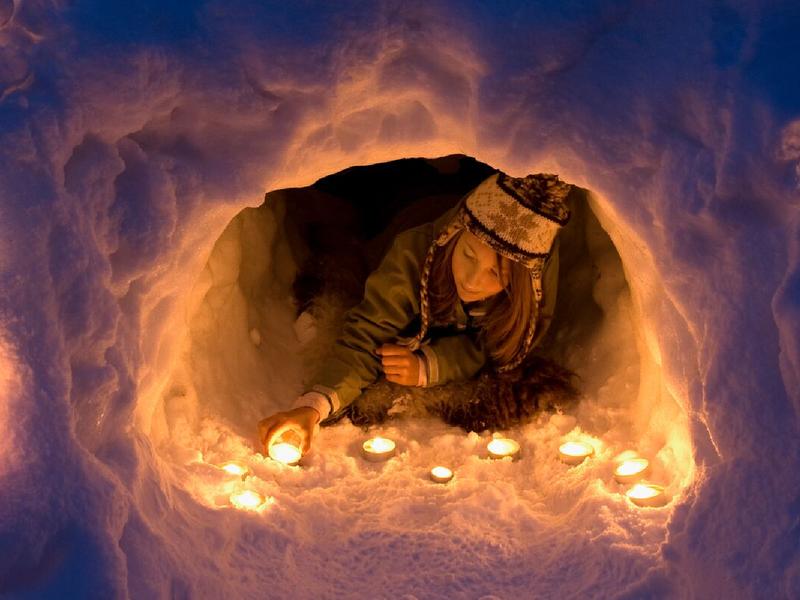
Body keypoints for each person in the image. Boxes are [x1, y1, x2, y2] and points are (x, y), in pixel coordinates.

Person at [258, 171, 573, 456]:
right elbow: (364, 337)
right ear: (453, 235)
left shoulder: (530, 297)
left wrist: (431, 364)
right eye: (467, 255)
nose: (472, 279)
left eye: (496, 274)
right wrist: (312, 407)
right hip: (402, 208)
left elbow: (500, 349)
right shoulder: (411, 255)